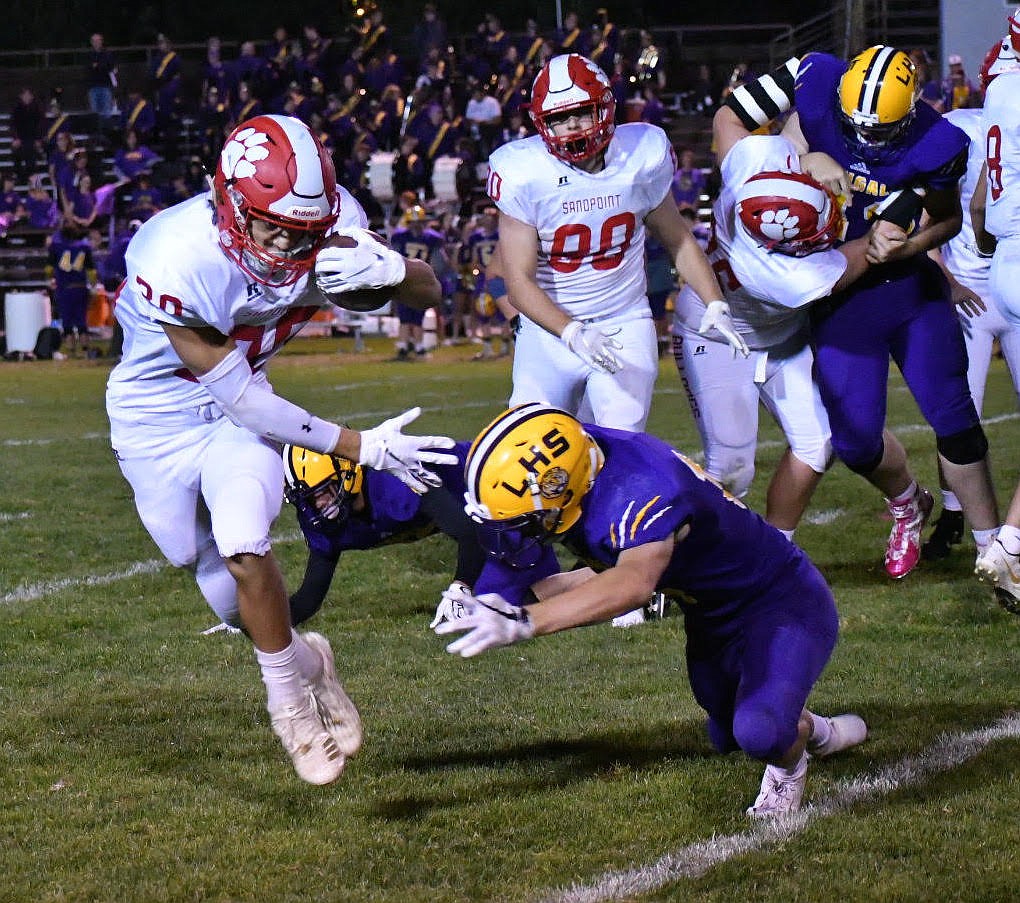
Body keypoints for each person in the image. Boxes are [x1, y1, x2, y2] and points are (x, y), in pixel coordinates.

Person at [105, 114, 457, 785]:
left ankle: (290, 706)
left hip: (241, 419)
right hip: (158, 420)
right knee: (211, 577)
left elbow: (428, 291)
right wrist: (360, 446)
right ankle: (309, 661)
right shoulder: (175, 253)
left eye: (304, 231)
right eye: (273, 227)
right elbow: (238, 394)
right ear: (232, 204)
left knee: (245, 544)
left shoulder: (332, 225)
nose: (289, 246)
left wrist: (393, 265)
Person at [436, 403, 868, 816]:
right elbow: (498, 460)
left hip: (779, 598)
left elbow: (634, 584)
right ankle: (812, 728)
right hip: (711, 610)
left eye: (529, 518)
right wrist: (385, 451)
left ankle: (790, 766)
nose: (524, 531)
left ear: (561, 486)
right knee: (727, 731)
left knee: (759, 731)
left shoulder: (643, 490)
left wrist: (527, 621)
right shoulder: (583, 458)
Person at [720, 45, 1001, 578]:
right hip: (840, 296)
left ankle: (993, 549)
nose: (865, 138)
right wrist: (799, 156)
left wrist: (908, 248)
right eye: (855, 124)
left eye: (882, 129)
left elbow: (947, 223)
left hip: (907, 291)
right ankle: (911, 505)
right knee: (853, 441)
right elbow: (733, 122)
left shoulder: (939, 141)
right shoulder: (818, 77)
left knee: (954, 416)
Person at [673, 108, 912, 542]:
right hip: (716, 337)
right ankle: (672, 563)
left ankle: (774, 552)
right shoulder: (795, 279)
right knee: (729, 465)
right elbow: (872, 246)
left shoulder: (753, 169)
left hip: (781, 336)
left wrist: (806, 155)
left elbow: (732, 118)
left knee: (817, 443)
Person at [487, 53, 744, 440]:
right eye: (558, 117)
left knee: (617, 447)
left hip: (623, 321)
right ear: (541, 122)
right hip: (548, 332)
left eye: (581, 112)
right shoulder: (524, 172)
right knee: (531, 448)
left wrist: (715, 302)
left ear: (605, 107)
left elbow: (677, 238)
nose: (571, 126)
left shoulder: (641, 153)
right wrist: (571, 332)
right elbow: (518, 282)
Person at [923, 42, 1020, 561]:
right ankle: (955, 513)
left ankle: (993, 531)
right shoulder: (959, 126)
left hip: (995, 275)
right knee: (960, 412)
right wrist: (946, 278)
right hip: (973, 289)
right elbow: (930, 206)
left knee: (961, 413)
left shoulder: (970, 121)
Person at [282, 442, 486, 628]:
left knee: (499, 588)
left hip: (485, 476)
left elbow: (473, 533)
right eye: (309, 499)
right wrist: (257, 622)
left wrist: (460, 588)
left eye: (322, 492)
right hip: (467, 518)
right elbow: (307, 600)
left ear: (347, 474)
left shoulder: (392, 481)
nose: (318, 505)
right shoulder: (322, 521)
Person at [972, 12, 1020, 614]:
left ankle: (1011, 541)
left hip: (1005, 260)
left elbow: (983, 202)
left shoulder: (1000, 89)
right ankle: (1009, 544)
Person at [388, 204, 448, 360]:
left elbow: (438, 262)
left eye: (418, 222)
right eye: (413, 222)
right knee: (405, 317)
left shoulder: (430, 238)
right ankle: (406, 346)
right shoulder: (405, 236)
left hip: (416, 280)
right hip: (406, 279)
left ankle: (415, 347)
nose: (416, 225)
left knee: (416, 316)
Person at [86, 33, 118, 122]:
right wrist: (101, 66)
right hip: (93, 87)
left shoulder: (108, 54)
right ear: (91, 42)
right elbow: (88, 68)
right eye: (94, 41)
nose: (96, 43)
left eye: (98, 40)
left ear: (101, 41)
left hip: (105, 87)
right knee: (94, 114)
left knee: (106, 113)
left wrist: (98, 66)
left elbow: (110, 67)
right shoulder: (89, 55)